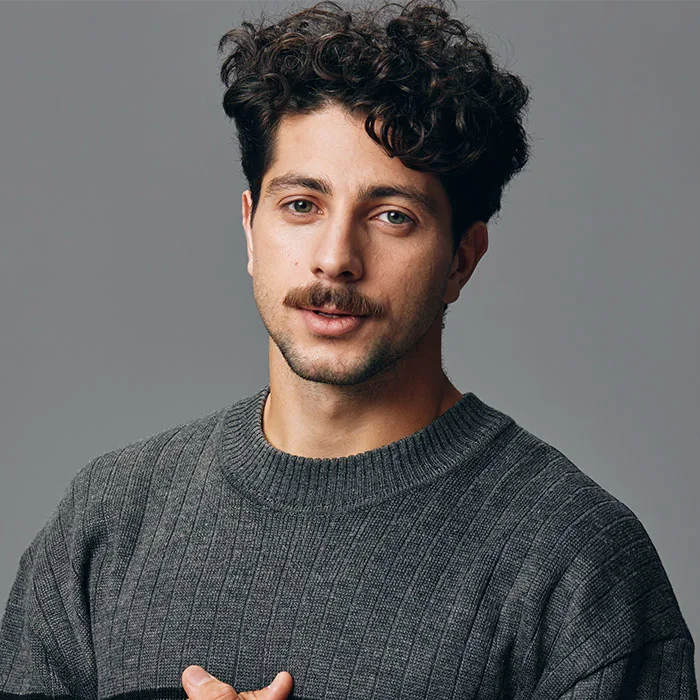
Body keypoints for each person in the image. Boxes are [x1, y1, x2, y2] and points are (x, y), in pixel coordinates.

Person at [0, 1, 696, 699]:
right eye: (302, 205)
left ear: (462, 259)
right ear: (250, 227)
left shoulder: (578, 562)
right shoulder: (108, 521)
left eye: (392, 216)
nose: (335, 258)